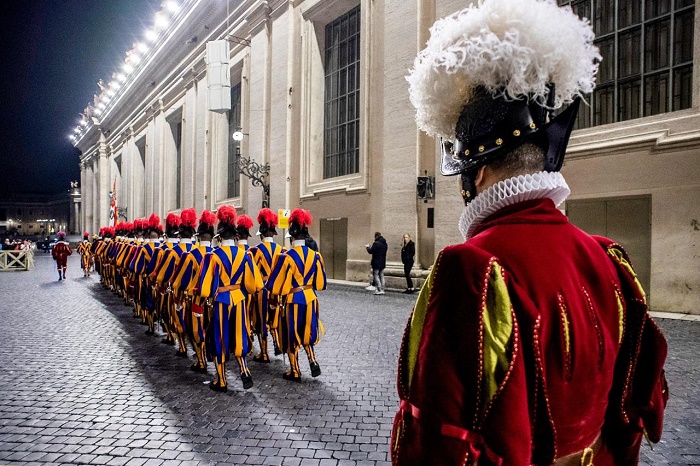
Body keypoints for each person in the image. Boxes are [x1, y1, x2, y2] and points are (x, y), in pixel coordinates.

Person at [390, 1, 668, 465]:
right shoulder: (607, 258)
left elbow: (437, 438)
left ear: (475, 175)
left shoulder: (472, 268)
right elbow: (635, 408)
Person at [198, 206, 263, 392]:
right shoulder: (245, 255)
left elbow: (204, 290)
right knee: (240, 335)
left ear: (219, 237)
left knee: (220, 338)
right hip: (239, 299)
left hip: (221, 301)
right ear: (234, 236)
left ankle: (222, 380)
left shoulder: (213, 256)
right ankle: (244, 369)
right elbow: (253, 285)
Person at [266, 208, 327, 381]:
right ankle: (313, 360)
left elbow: (275, 286)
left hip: (293, 299)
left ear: (292, 237)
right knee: (308, 331)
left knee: (291, 333)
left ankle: (295, 370)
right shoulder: (315, 256)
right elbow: (321, 284)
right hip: (310, 298)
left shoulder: (285, 257)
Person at [249, 208, 285, 362]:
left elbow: (254, 271)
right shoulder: (281, 249)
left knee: (261, 320)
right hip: (276, 289)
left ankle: (264, 352)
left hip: (262, 289)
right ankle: (277, 343)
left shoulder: (256, 251)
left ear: (261, 234)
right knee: (275, 317)